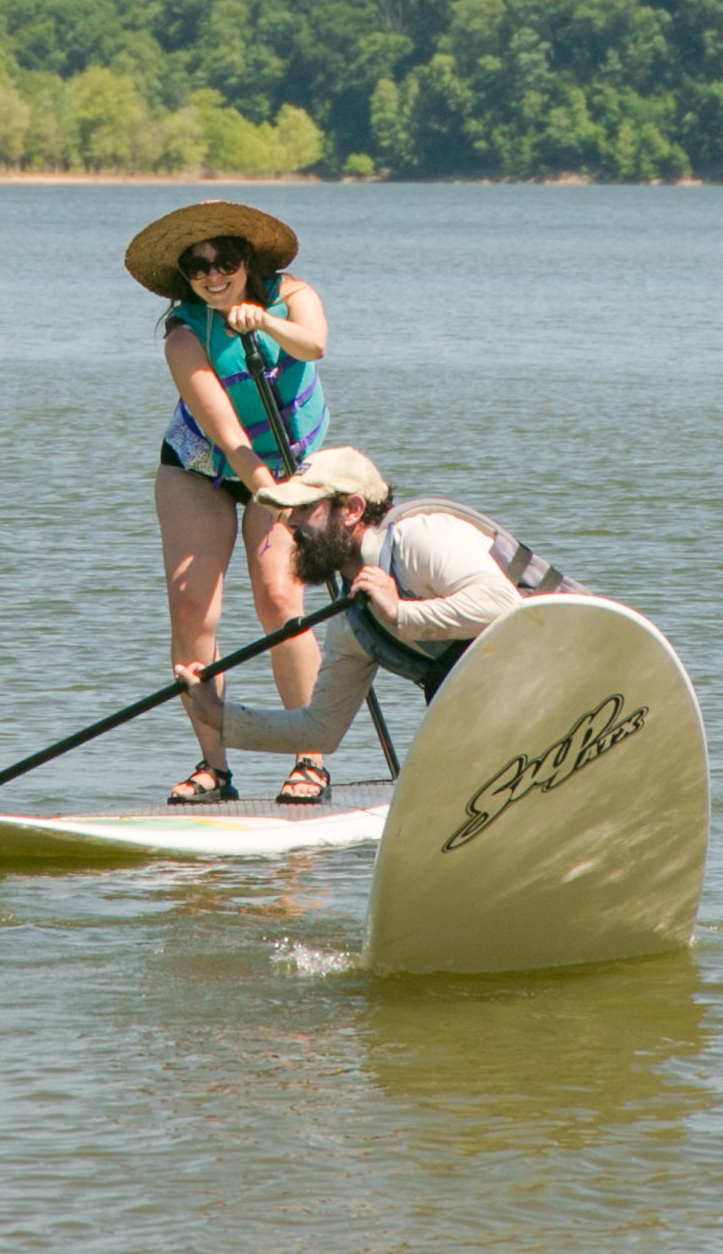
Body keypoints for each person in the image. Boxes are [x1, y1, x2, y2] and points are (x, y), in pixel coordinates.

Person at [171, 443, 573, 785]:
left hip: (574, 665)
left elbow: (502, 604)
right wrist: (221, 717)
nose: (289, 523)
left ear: (352, 508)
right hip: (523, 707)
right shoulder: (354, 620)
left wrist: (400, 612)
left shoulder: (419, 538)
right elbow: (320, 730)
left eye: (304, 508)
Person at [124, 197, 333, 807]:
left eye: (226, 260)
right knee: (192, 607)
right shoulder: (184, 334)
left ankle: (309, 759)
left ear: (249, 261)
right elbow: (227, 432)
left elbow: (314, 345)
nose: (214, 275)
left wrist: (262, 322)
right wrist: (260, 484)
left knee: (278, 600)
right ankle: (214, 767)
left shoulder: (293, 294)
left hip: (294, 459)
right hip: (204, 462)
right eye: (198, 266)